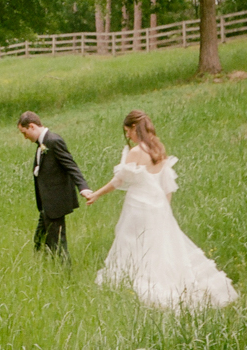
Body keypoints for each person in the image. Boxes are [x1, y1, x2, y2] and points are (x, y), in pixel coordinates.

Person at [86, 110, 239, 309]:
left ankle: (144, 288)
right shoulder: (158, 148)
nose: (128, 137)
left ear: (134, 127)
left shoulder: (136, 152)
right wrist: (165, 210)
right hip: (158, 206)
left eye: (128, 132)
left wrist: (96, 194)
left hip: (138, 207)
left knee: (135, 245)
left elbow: (119, 180)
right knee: (159, 247)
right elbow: (167, 185)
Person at [17, 111, 92, 261]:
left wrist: (83, 187)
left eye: (24, 133)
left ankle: (65, 273)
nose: (25, 137)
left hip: (56, 202)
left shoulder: (53, 141)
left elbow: (71, 165)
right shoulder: (42, 143)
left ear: (32, 126)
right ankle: (43, 267)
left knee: (57, 244)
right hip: (46, 204)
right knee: (39, 240)